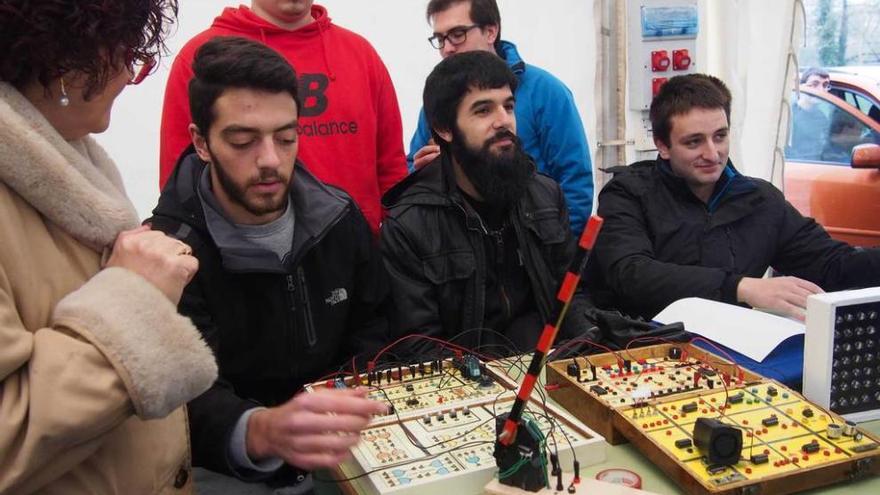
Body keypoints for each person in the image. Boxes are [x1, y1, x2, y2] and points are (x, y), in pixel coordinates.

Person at [149, 37, 389, 493]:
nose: (270, 160)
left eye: (286, 137)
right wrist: (260, 430)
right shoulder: (167, 255)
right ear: (201, 142)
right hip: (227, 468)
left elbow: (374, 326)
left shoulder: (341, 220)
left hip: (341, 449)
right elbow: (183, 400)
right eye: (243, 140)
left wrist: (345, 398)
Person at [0, 1, 218, 493]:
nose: (127, 75)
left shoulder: (77, 159)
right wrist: (135, 300)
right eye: (126, 54)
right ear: (61, 58)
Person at [588, 73, 880, 321]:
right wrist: (740, 287)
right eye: (694, 142)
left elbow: (832, 265)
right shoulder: (627, 194)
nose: (712, 154)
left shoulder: (761, 201)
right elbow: (632, 275)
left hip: (728, 354)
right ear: (662, 146)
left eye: (720, 136)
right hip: (636, 347)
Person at [382, 51, 597, 358]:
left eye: (508, 106)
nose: (503, 121)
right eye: (483, 111)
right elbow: (418, 344)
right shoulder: (410, 224)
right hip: (465, 386)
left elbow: (572, 297)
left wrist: (589, 343)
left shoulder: (546, 196)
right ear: (444, 128)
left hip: (548, 369)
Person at [159, 0, 407, 234]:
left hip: (356, 257)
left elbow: (391, 170)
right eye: (243, 140)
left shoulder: (360, 54)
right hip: (243, 264)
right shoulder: (203, 58)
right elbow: (179, 183)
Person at [408, 0, 595, 233]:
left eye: (457, 34)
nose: (447, 48)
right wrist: (425, 172)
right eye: (440, 39)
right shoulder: (438, 101)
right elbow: (411, 170)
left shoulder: (546, 91)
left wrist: (554, 250)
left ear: (490, 31)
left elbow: (575, 182)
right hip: (460, 252)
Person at [788, 67, 832, 160]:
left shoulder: (821, 117)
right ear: (802, 87)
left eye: (825, 85)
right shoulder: (789, 115)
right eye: (814, 84)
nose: (821, 90)